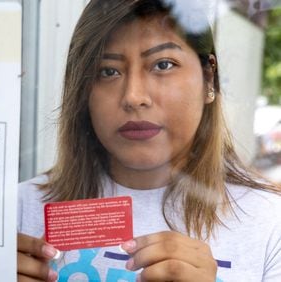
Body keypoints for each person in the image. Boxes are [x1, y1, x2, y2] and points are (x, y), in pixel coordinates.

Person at [17, 0, 281, 281]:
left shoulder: (270, 223)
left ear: (208, 78)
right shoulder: (19, 210)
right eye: (108, 71)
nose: (133, 96)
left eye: (163, 64)